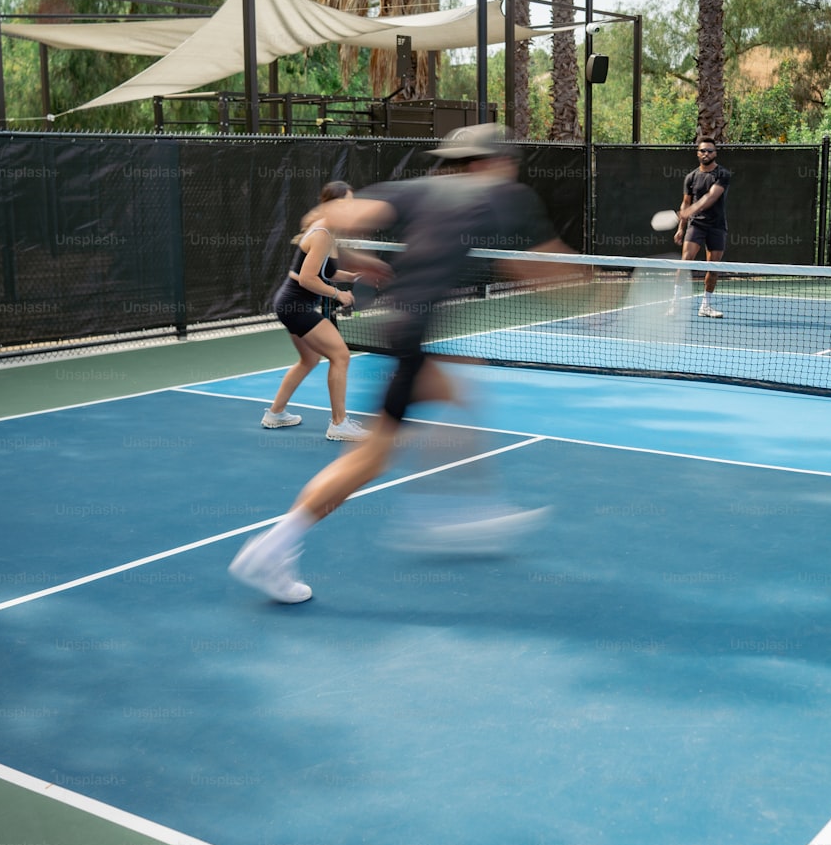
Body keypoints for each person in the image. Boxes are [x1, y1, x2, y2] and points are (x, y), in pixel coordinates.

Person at [229, 124, 575, 603]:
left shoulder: (418, 190)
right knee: (371, 458)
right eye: (506, 160)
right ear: (489, 162)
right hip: (413, 333)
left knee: (457, 394)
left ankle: (455, 511)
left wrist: (362, 258)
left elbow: (325, 215)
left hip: (401, 326)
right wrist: (592, 282)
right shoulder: (502, 195)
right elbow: (536, 271)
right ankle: (273, 547)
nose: (509, 168)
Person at [262, 180, 371, 441]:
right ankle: (339, 424)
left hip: (290, 303)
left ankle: (275, 413)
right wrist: (338, 294)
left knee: (309, 360)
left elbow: (325, 271)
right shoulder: (322, 234)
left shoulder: (327, 231)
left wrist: (350, 276)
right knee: (341, 356)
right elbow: (307, 279)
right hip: (296, 305)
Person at [669, 136, 731, 318]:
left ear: (715, 153)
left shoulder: (723, 174)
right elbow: (685, 202)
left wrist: (688, 211)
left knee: (713, 267)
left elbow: (711, 197)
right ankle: (675, 305)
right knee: (685, 262)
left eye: (710, 151)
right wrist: (681, 228)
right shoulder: (691, 177)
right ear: (698, 153)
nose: (706, 154)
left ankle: (705, 306)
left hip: (717, 226)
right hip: (696, 225)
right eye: (703, 150)